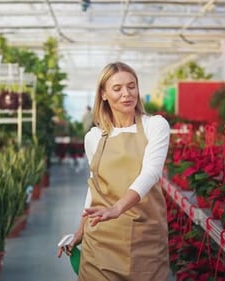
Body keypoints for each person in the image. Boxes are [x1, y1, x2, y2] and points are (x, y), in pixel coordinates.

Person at [57, 61, 171, 280]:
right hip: (101, 236)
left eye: (131, 86)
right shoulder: (93, 137)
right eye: (117, 88)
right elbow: (94, 187)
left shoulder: (155, 126)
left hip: (144, 236)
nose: (126, 94)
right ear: (104, 94)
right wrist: (79, 232)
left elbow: (151, 172)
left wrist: (118, 208)